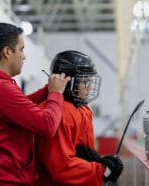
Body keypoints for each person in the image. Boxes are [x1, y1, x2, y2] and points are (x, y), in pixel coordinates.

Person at [0, 22, 70, 185]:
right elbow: (48, 125)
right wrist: (56, 94)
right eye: (21, 49)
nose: (24, 56)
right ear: (7, 52)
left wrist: (48, 90)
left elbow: (21, 106)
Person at [34, 50, 124, 186]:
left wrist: (97, 162)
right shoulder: (60, 113)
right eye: (85, 83)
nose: (88, 89)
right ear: (69, 83)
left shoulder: (83, 109)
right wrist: (100, 170)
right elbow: (61, 167)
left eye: (90, 82)